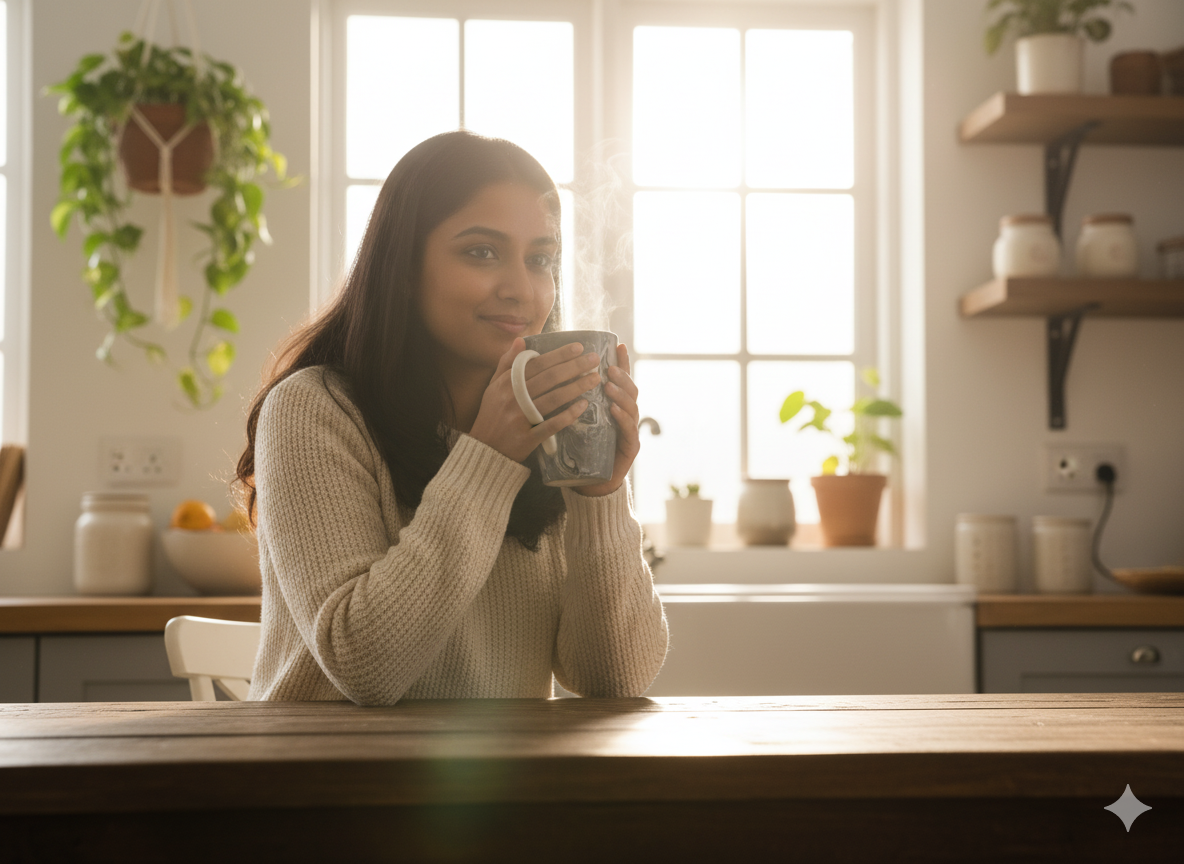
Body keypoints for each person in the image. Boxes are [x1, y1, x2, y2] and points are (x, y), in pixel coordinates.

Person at [235, 130, 668, 705]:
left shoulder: (550, 427)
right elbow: (365, 667)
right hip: (335, 781)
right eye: (481, 252)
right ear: (404, 267)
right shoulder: (315, 410)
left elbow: (613, 679)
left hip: (506, 786)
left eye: (540, 259)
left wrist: (599, 495)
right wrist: (487, 458)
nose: (520, 289)